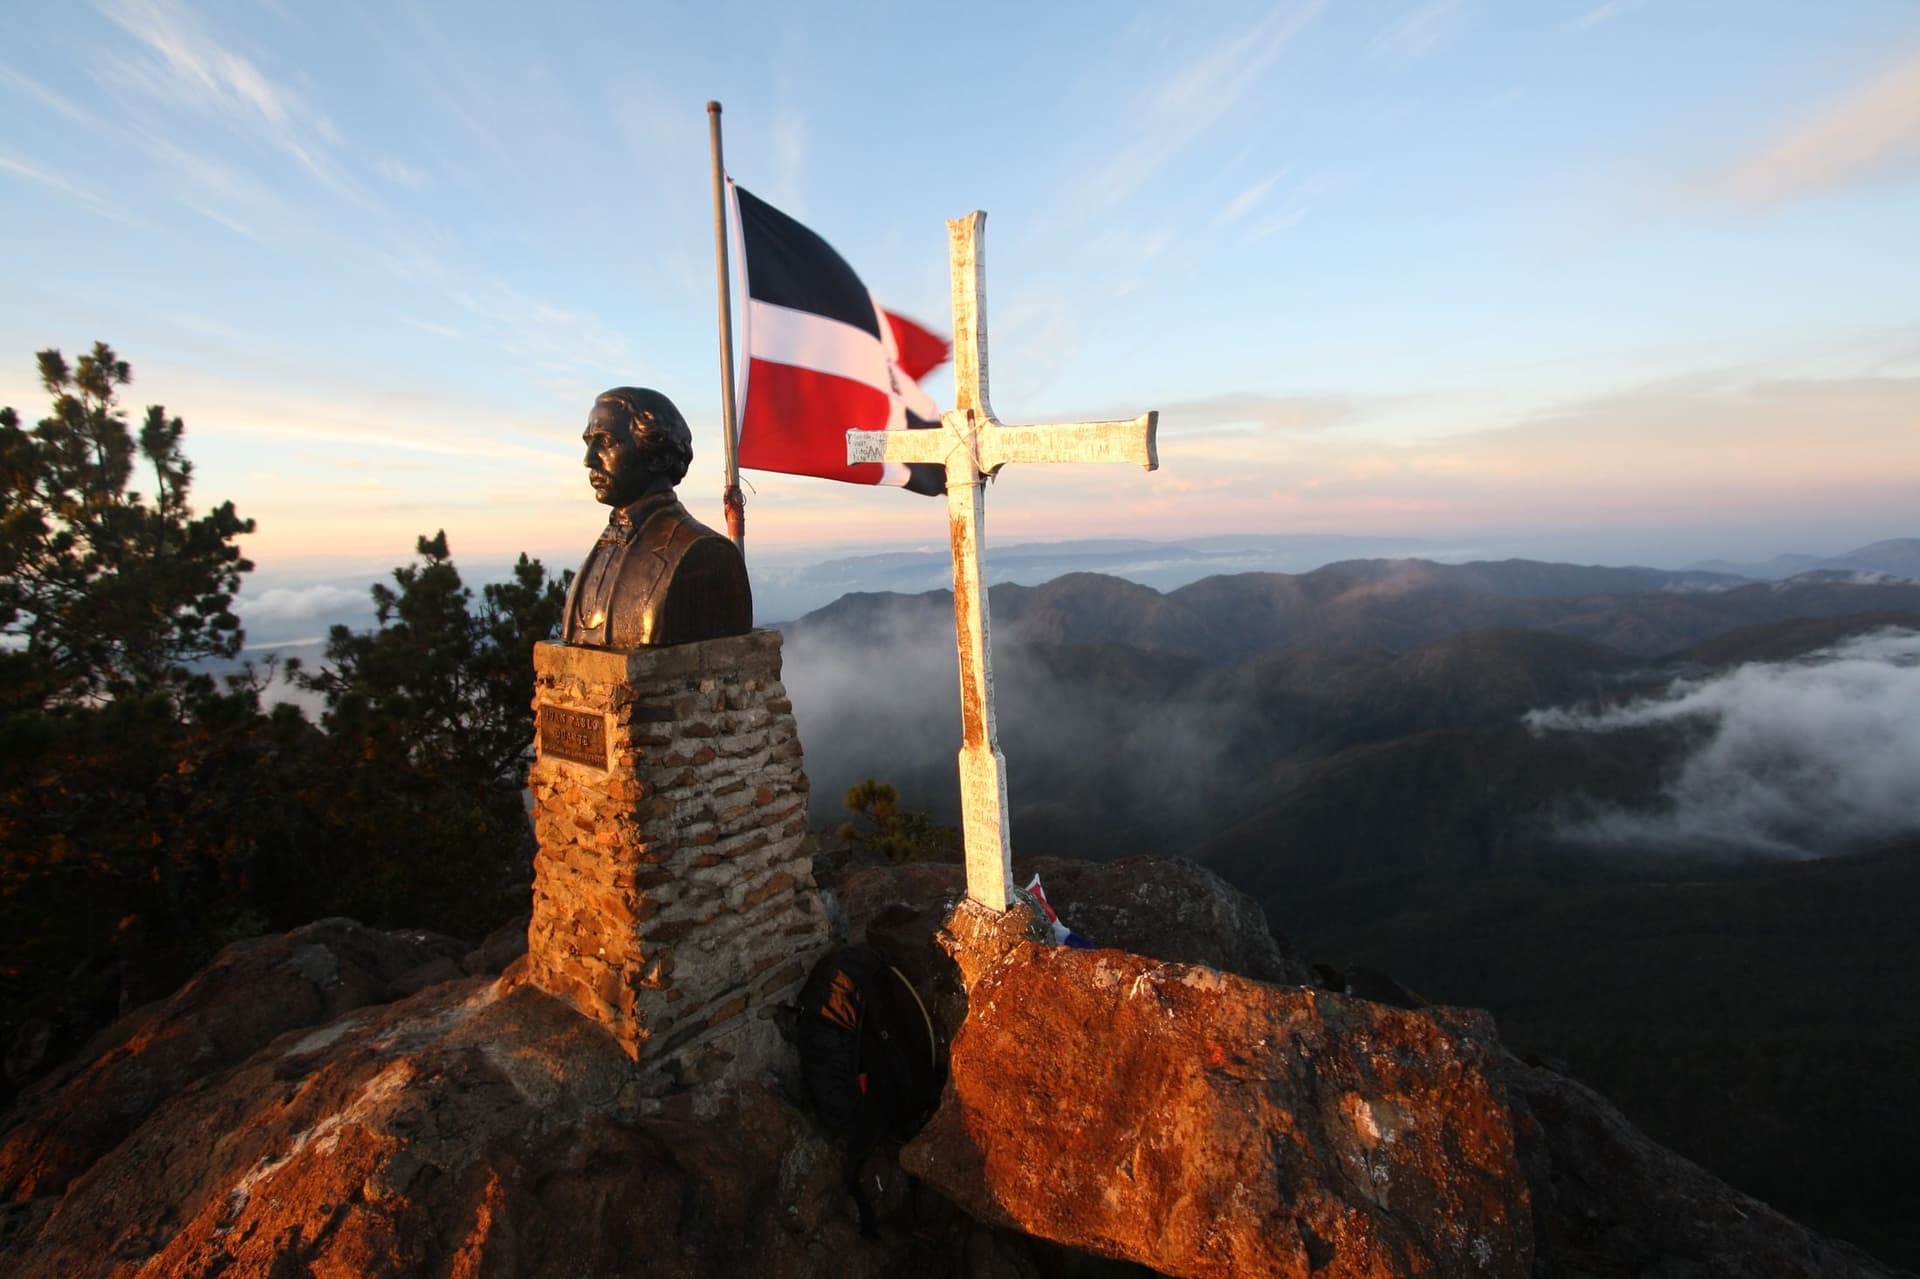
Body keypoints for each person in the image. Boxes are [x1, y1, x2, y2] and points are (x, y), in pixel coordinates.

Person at [561, 387, 752, 647]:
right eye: (589, 443)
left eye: (606, 442)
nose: (589, 460)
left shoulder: (707, 554)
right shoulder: (603, 547)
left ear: (659, 457)